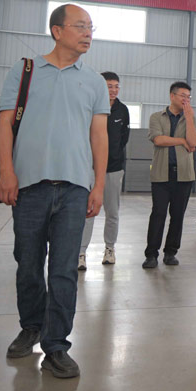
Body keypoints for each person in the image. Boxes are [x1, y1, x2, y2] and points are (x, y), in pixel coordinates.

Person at [0, 3, 109, 379]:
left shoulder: (94, 81)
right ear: (57, 31)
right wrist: (7, 171)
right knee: (28, 264)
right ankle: (31, 326)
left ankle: (57, 345)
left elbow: (99, 136)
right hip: (29, 186)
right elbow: (5, 124)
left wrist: (98, 185)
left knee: (63, 270)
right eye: (80, 26)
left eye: (91, 27)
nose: (88, 33)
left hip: (75, 189)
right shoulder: (25, 71)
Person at [143, 82, 196, 268]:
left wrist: (189, 119)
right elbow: (158, 139)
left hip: (184, 176)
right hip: (161, 175)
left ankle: (170, 252)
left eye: (188, 97)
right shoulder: (156, 117)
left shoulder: (192, 119)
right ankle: (151, 254)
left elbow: (193, 142)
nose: (186, 100)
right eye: (183, 96)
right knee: (158, 214)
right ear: (172, 96)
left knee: (177, 216)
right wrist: (181, 141)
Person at [78, 71, 129, 270]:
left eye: (116, 86)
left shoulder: (122, 110)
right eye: (109, 86)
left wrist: (112, 156)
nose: (114, 90)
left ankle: (109, 249)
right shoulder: (90, 107)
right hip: (90, 168)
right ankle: (81, 252)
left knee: (112, 212)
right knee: (88, 211)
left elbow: (124, 138)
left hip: (114, 169)